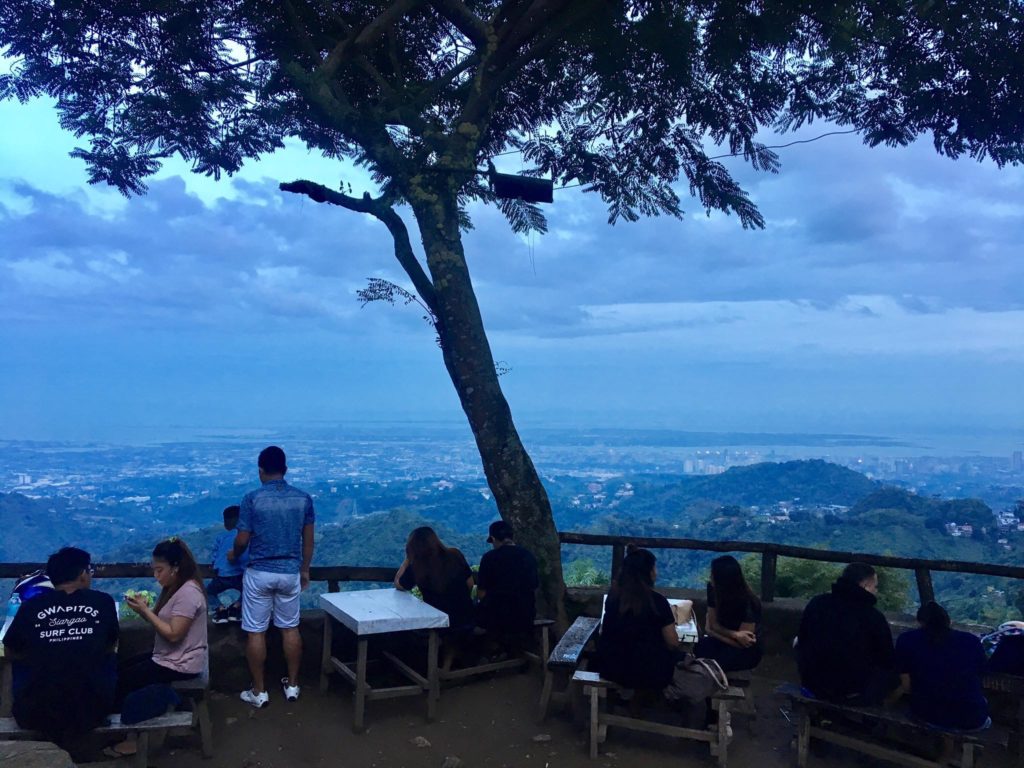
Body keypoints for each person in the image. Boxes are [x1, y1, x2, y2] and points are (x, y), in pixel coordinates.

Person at [2, 547, 118, 744]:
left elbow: (10, 646)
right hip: (92, 711)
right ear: (82, 574)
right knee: (108, 658)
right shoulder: (102, 602)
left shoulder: (31, 606)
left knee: (21, 660)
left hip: (34, 713)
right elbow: (111, 642)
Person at [108, 538, 207, 757]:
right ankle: (127, 728)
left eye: (160, 570)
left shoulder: (188, 594)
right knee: (123, 670)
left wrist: (146, 612)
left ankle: (131, 735)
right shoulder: (178, 587)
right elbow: (167, 625)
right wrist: (145, 611)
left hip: (180, 664)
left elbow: (173, 634)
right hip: (171, 657)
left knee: (124, 682)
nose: (156, 576)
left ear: (175, 568)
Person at [233, 445, 315, 708]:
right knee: (290, 628)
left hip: (260, 572)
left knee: (256, 632)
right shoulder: (303, 499)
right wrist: (305, 568)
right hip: (290, 572)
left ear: (260, 471)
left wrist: (234, 554)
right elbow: (308, 540)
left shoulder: (252, 499)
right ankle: (292, 685)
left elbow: (243, 539)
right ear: (285, 470)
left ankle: (259, 691)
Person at [797, 562, 897, 704]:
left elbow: (802, 638)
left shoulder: (817, 603)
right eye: (875, 586)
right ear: (865, 586)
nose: (876, 591)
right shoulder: (873, 617)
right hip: (850, 690)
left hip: (813, 683)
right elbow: (887, 659)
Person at [893, 601, 990, 731]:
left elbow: (907, 687)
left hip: (929, 714)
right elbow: (981, 673)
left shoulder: (907, 640)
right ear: (949, 621)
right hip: (972, 718)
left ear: (920, 622)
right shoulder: (971, 641)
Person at [596, 547, 680, 691]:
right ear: (648, 573)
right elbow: (673, 642)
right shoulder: (657, 602)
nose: (656, 572)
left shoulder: (613, 597)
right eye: (654, 568)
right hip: (650, 674)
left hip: (611, 668)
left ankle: (629, 701)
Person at [394, 526, 474, 667]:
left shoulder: (418, 565)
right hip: (467, 615)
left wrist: (408, 560)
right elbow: (470, 583)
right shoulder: (455, 555)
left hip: (438, 621)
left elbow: (399, 584)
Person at [695, 555, 763, 672]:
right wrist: (735, 634)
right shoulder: (713, 590)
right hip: (724, 640)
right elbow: (713, 624)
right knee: (698, 648)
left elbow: (744, 644)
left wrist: (714, 633)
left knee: (719, 661)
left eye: (713, 575)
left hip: (744, 651)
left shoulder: (749, 604)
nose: (710, 578)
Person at [475, 520, 539, 636]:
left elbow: (481, 593)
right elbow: (534, 586)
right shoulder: (528, 556)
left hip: (496, 616)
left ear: (493, 539)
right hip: (525, 614)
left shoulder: (489, 558)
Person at [208, 505, 247, 623]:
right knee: (250, 591)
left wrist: (214, 565)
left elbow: (214, 556)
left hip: (221, 575)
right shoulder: (244, 537)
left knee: (208, 592)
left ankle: (220, 609)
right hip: (239, 574)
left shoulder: (221, 537)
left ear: (226, 523)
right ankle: (236, 607)